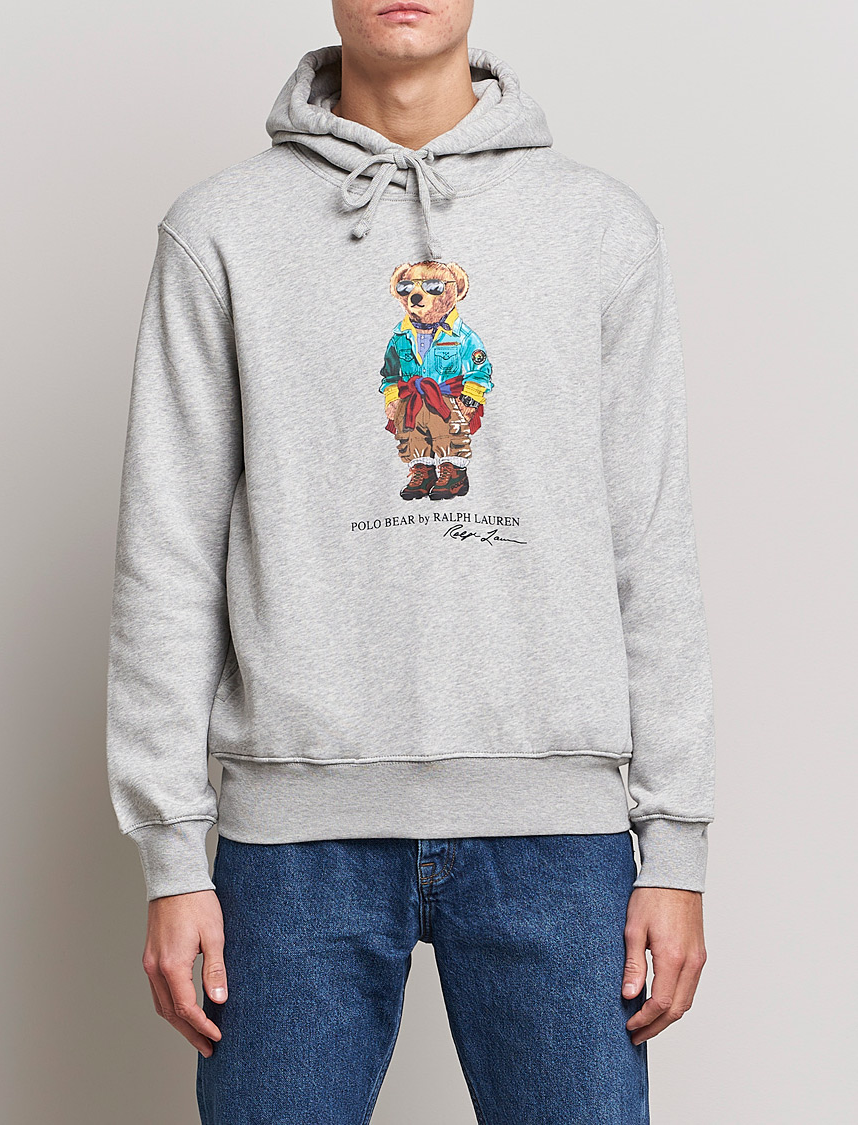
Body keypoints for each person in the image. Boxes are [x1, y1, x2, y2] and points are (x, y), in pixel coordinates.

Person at [106, 2, 716, 1121]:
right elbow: (168, 551)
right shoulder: (220, 232)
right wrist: (172, 854)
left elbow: (651, 541)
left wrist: (675, 846)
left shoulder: (600, 228)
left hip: (559, 831)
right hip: (291, 837)